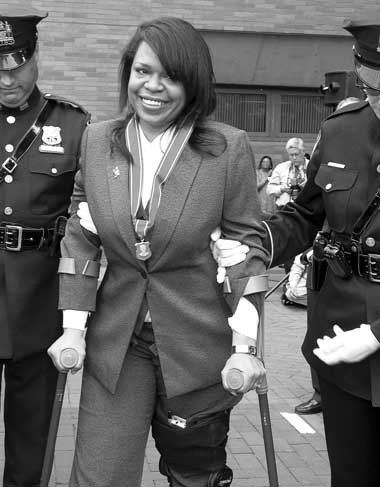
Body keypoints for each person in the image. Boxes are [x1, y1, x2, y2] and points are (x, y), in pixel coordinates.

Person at [48, 17, 268, 487]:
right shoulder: (98, 140)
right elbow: (81, 238)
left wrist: (246, 346)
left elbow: (245, 250)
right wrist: (73, 328)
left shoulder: (227, 149)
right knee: (99, 474)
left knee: (194, 478)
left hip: (196, 344)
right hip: (117, 342)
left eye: (169, 76)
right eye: (142, 71)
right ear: (128, 73)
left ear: (193, 85)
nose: (153, 87)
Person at [212, 19, 380, 487]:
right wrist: (255, 242)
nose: (379, 102)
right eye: (371, 89)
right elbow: (305, 216)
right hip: (341, 340)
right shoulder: (342, 129)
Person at [0, 6, 90, 487]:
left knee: (32, 438)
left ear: (36, 57)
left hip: (40, 303)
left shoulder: (73, 124)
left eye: (17, 65)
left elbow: (88, 223)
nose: (7, 78)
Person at [267, 137, 307, 274]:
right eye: (291, 155)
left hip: (306, 212)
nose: (294, 157)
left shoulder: (312, 167)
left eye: (297, 154)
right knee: (289, 248)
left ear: (303, 152)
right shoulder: (281, 168)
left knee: (305, 250)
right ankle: (289, 283)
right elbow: (269, 190)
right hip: (286, 211)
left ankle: (300, 284)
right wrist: (283, 189)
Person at [256, 155, 276, 219]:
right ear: (261, 163)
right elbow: (256, 187)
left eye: (267, 162)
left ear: (270, 165)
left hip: (271, 204)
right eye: (264, 162)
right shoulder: (257, 173)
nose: (265, 164)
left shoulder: (274, 173)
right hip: (260, 203)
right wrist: (267, 178)